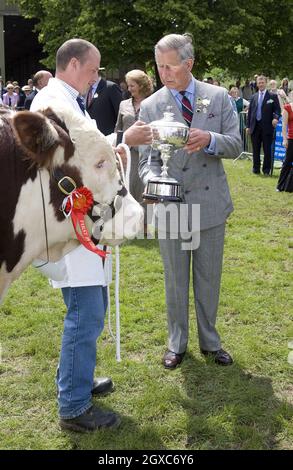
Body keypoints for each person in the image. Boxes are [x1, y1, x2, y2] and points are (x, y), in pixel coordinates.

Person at [31, 38, 152, 433]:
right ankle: (73, 405)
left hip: (81, 223)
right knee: (85, 315)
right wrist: (123, 142)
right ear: (74, 64)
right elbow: (79, 163)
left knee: (91, 306)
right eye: (94, 69)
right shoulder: (55, 104)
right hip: (72, 225)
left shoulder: (64, 100)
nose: (97, 76)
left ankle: (79, 382)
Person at [139, 33, 242, 370]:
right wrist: (154, 183)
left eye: (170, 66)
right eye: (160, 66)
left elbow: (236, 144)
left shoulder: (218, 97)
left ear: (189, 63)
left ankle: (210, 341)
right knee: (175, 279)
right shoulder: (151, 105)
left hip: (211, 204)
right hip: (172, 204)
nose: (164, 72)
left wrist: (211, 138)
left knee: (209, 277)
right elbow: (146, 162)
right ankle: (176, 343)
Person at [115, 69, 153, 212]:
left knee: (144, 186)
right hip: (127, 152)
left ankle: (145, 223)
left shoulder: (153, 103)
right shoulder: (123, 104)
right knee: (126, 185)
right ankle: (128, 218)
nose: (128, 88)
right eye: (128, 85)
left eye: (132, 85)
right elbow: (118, 128)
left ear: (141, 85)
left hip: (147, 153)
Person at [247, 75, 281, 175]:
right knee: (256, 149)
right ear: (257, 84)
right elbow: (250, 113)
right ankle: (256, 169)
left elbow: (277, 110)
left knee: (267, 150)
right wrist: (248, 126)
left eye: (262, 82)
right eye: (259, 83)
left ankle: (266, 170)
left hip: (267, 127)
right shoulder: (253, 97)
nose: (261, 84)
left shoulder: (272, 96)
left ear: (266, 83)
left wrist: (275, 118)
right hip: (255, 127)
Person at [276, 92, 293, 192]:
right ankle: (280, 186)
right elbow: (284, 125)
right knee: (287, 162)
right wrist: (285, 139)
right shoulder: (287, 108)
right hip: (291, 139)